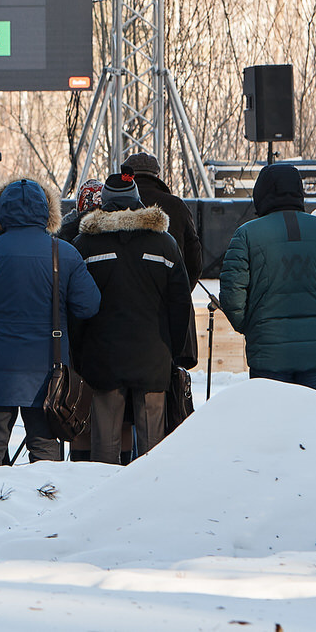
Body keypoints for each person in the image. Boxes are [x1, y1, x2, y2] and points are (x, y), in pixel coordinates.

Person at [0, 177, 100, 468]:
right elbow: (89, 306)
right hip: (47, 373)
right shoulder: (65, 253)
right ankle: (46, 497)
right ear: (47, 211)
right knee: (45, 449)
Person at [71, 175, 192, 465]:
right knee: (153, 448)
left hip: (103, 357)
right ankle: (151, 489)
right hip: (153, 356)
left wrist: (79, 353)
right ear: (137, 199)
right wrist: (172, 350)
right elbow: (180, 304)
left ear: (104, 201)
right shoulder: (165, 244)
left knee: (104, 446)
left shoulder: (85, 245)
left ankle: (105, 491)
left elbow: (75, 305)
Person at [218, 159, 316, 396]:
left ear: (261, 193)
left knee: (272, 418)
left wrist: (251, 326)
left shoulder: (246, 234)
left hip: (268, 355)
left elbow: (232, 293)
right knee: (314, 418)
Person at [117, 152, 205, 432]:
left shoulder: (116, 205)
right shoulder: (176, 206)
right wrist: (179, 295)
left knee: (121, 407)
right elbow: (195, 262)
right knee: (162, 401)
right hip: (169, 322)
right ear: (157, 175)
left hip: (121, 319)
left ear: (127, 175)